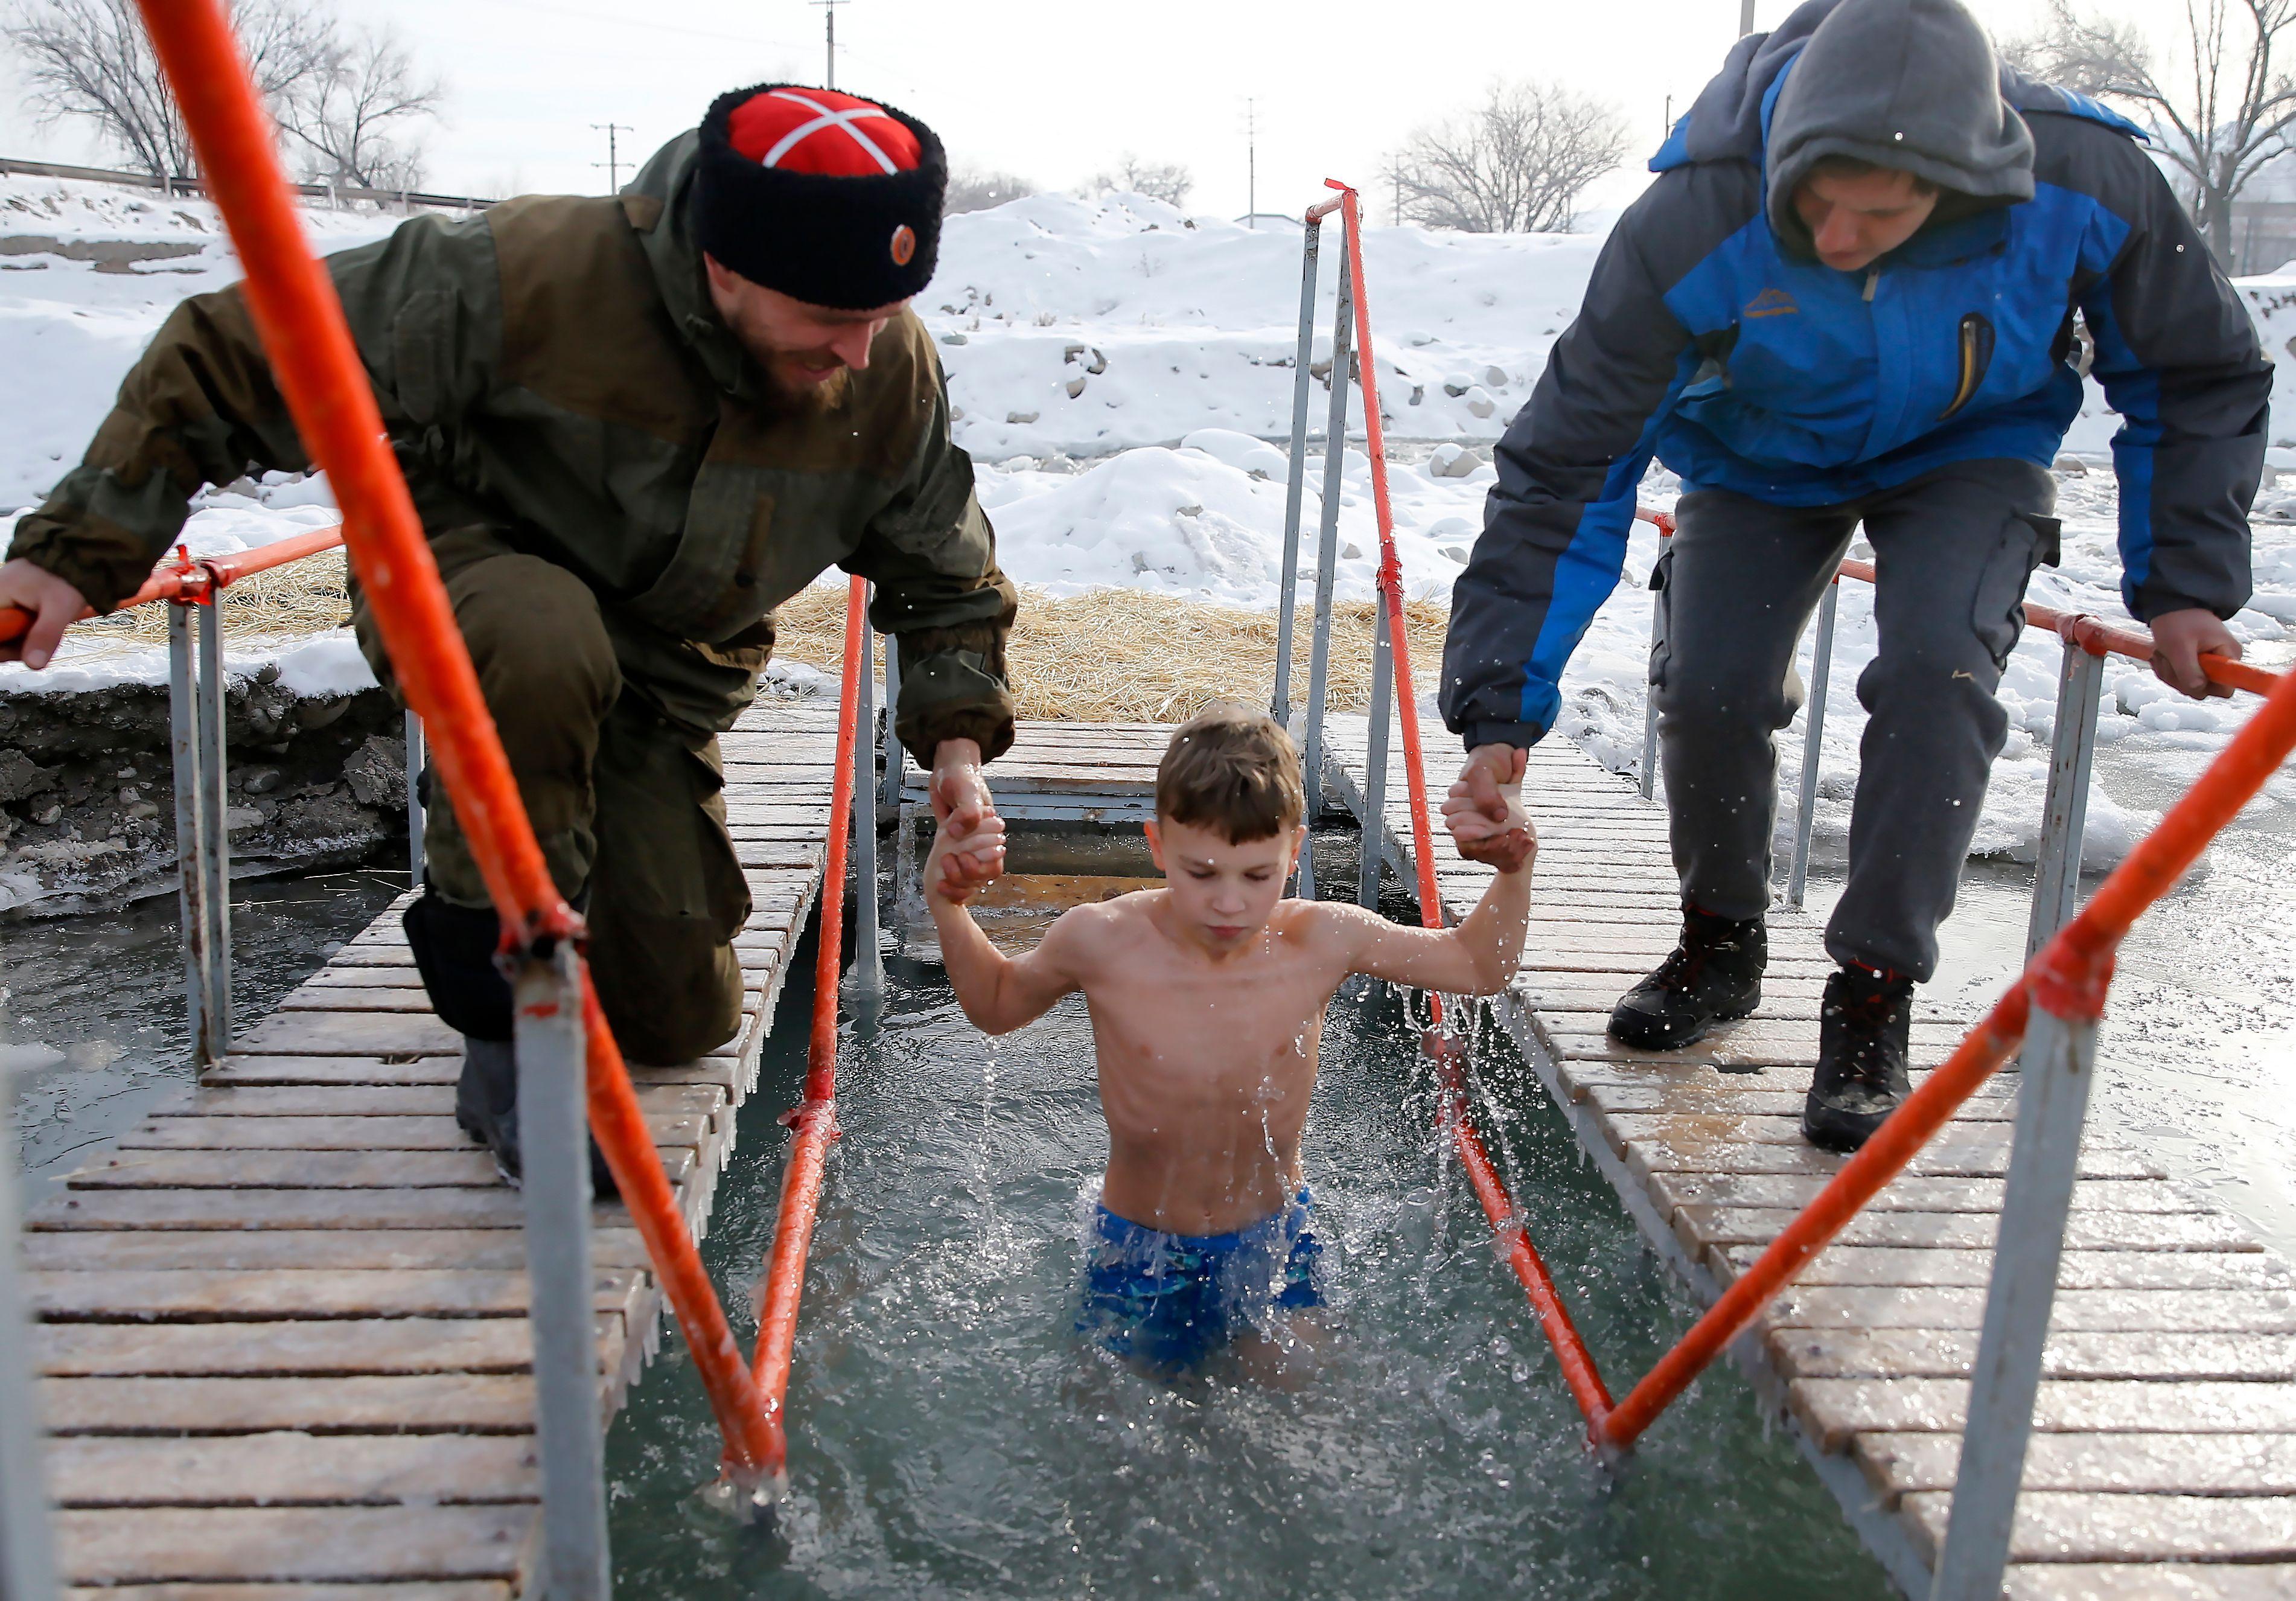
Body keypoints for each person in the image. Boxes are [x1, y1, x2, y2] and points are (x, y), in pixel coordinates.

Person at [0, 84, 1016, 1185]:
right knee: (542, 644)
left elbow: (943, 572)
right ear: (726, 265)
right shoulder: (521, 274)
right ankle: (507, 1040)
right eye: (830, 322)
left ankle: (564, 880)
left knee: (680, 1014)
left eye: (878, 318)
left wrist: (956, 752)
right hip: (473, 586)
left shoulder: (887, 366)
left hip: (669, 672)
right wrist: (76, 549)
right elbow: (242, 351)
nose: (860, 354)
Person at [1440, 0, 2269, 1152]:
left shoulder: (2080, 176)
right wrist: (1497, 708)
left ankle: (1870, 997)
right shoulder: (1693, 216)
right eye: (1813, 205)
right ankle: (1717, 940)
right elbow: (1564, 470)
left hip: (1970, 450)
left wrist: (2184, 584)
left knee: (1936, 671)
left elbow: (2194, 374)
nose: (1835, 236)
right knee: (1710, 684)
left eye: (1874, 212)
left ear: (1965, 182)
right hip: (1756, 456)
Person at [922, 705, 1535, 1375]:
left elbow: (1478, 966)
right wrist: (947, 907)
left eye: (1256, 876)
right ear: (1158, 847)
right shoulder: (1101, 939)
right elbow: (997, 1005)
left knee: (1302, 1400)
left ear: (1294, 851)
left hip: (1274, 1240)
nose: (1230, 904)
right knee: (1111, 1420)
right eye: (1202, 873)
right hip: (1140, 1245)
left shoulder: (1322, 938)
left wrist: (1513, 871)